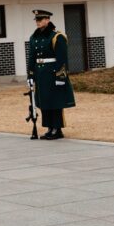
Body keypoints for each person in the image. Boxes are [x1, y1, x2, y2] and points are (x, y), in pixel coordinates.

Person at [27, 9, 76, 140]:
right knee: (44, 102)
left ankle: (57, 128)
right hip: (40, 73)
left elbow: (62, 59)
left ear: (47, 20)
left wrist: (60, 76)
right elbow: (31, 58)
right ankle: (49, 127)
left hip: (52, 72)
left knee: (55, 101)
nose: (37, 22)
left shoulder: (56, 36)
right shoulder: (34, 37)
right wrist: (30, 75)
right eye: (36, 20)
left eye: (40, 19)